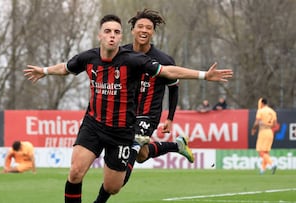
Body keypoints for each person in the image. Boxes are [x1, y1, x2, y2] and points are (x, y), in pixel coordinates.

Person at [24, 14, 233, 203]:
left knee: (113, 187)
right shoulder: (88, 58)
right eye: (108, 31)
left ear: (121, 35)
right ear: (99, 35)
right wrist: (44, 70)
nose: (112, 36)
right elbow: (65, 68)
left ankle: (170, 147)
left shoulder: (132, 60)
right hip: (93, 125)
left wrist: (204, 75)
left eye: (116, 32)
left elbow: (168, 71)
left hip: (122, 131)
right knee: (76, 172)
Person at [94, 9, 193, 203]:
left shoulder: (164, 60)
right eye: (140, 26)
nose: (144, 30)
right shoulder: (121, 54)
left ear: (153, 32)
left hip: (148, 115)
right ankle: (177, 145)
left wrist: (170, 118)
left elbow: (174, 88)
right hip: (126, 114)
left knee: (131, 151)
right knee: (142, 155)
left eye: (149, 27)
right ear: (132, 30)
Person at [251, 98, 277, 175]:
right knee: (266, 152)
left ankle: (272, 164)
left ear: (262, 103)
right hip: (270, 132)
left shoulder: (261, 111)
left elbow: (257, 122)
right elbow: (275, 124)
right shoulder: (272, 111)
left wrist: (253, 129)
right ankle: (262, 169)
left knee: (261, 152)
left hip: (263, 132)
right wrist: (268, 125)